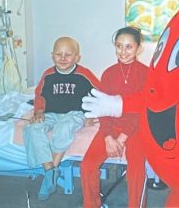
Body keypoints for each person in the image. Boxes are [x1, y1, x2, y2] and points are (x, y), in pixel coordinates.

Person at [23, 36, 101, 201]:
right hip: (51, 113)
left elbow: (100, 94)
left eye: (68, 55)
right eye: (59, 54)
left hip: (74, 113)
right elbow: (39, 95)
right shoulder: (48, 75)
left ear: (76, 57)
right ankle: (50, 170)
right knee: (32, 128)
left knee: (64, 129)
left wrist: (90, 115)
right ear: (52, 56)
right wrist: (38, 111)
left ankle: (52, 170)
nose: (63, 58)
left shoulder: (84, 74)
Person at [80, 26, 148, 208]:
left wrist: (123, 137)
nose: (123, 52)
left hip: (136, 127)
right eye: (119, 46)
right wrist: (109, 138)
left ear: (138, 48)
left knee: (136, 170)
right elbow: (102, 110)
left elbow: (141, 111)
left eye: (129, 47)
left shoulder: (146, 74)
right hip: (111, 126)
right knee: (87, 166)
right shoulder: (108, 73)